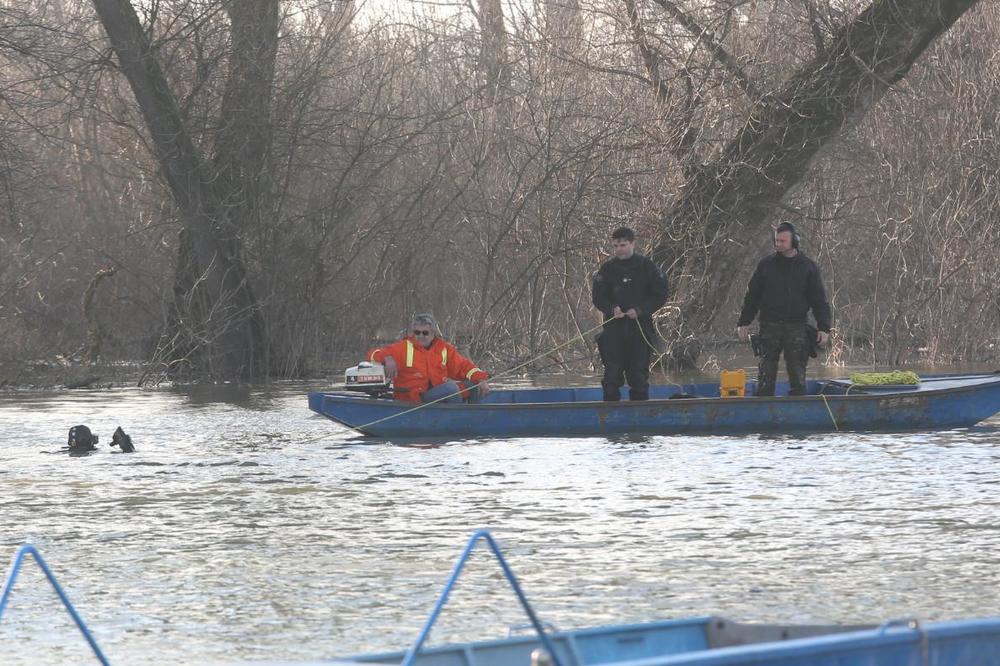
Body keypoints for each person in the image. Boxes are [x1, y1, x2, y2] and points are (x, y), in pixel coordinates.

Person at [737, 222, 832, 396]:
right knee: (766, 373)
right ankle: (764, 405)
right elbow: (752, 297)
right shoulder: (766, 265)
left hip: (796, 326)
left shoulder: (807, 267)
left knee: (797, 372)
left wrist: (824, 328)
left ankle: (798, 406)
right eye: (776, 241)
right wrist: (744, 322)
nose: (778, 244)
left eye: (783, 241)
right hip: (769, 324)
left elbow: (819, 300)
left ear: (794, 241)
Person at [591, 227, 670, 401]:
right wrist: (612, 309)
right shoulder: (607, 269)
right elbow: (598, 297)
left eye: (623, 245)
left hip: (640, 327)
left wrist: (641, 310)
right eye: (616, 246)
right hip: (614, 328)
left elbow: (661, 294)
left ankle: (640, 414)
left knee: (638, 375)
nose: (619, 249)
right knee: (612, 374)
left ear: (633, 244)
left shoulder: (647, 266)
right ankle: (610, 414)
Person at [366, 314, 490, 403]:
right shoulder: (403, 347)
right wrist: (387, 358)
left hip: (437, 394)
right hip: (414, 398)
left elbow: (464, 367)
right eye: (417, 332)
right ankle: (457, 419)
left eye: (425, 333)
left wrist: (481, 379)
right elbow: (372, 353)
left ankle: (472, 417)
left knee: (473, 384)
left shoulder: (444, 349)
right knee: (451, 387)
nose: (420, 336)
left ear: (433, 334)